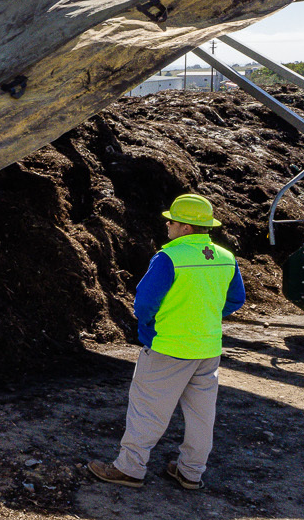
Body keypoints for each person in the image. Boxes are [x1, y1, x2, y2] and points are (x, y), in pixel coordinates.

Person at [87, 193, 245, 491]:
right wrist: (206, 317)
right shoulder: (226, 258)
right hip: (207, 349)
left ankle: (129, 469)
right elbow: (236, 299)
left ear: (185, 227)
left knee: (147, 410)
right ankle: (191, 473)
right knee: (202, 415)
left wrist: (148, 327)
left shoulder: (169, 257)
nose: (168, 226)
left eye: (171, 221)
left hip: (168, 347)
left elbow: (144, 303)